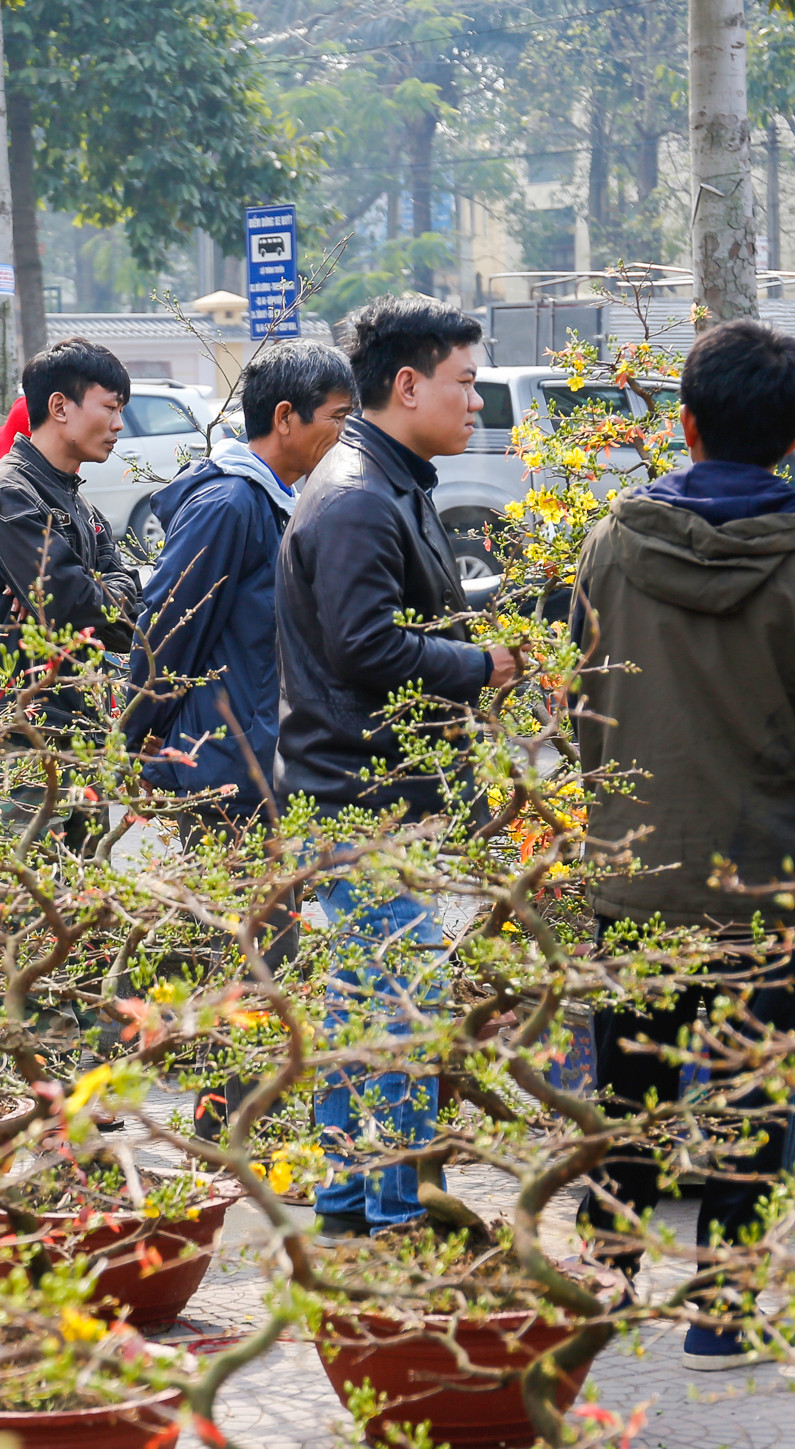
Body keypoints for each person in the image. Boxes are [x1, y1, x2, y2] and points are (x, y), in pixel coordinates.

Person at [569, 317, 795, 1369]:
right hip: (770, 876)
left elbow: (579, 697)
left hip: (635, 868)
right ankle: (725, 1310)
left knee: (627, 1087)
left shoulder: (608, 547)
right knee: (762, 1097)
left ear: (684, 421)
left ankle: (602, 1283)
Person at [277, 296, 518, 1241]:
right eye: (465, 383)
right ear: (407, 383)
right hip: (363, 796)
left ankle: (350, 1199)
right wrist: (481, 666)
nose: (476, 405)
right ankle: (397, 1209)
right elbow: (366, 644)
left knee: (356, 1009)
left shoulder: (386, 479)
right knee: (399, 1014)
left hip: (367, 790)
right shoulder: (358, 494)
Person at [124, 341, 356, 822]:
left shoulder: (277, 500)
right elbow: (169, 629)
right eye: (337, 417)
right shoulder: (229, 504)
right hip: (226, 772)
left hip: (263, 764)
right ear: (286, 416)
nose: (345, 432)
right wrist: (138, 744)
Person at [0, 337, 142, 853]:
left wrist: (91, 592)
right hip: (18, 730)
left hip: (76, 721)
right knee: (28, 910)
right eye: (110, 407)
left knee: (83, 904)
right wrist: (83, 596)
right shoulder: (9, 492)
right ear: (60, 407)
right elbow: (70, 603)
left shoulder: (72, 495)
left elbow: (121, 604)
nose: (119, 425)